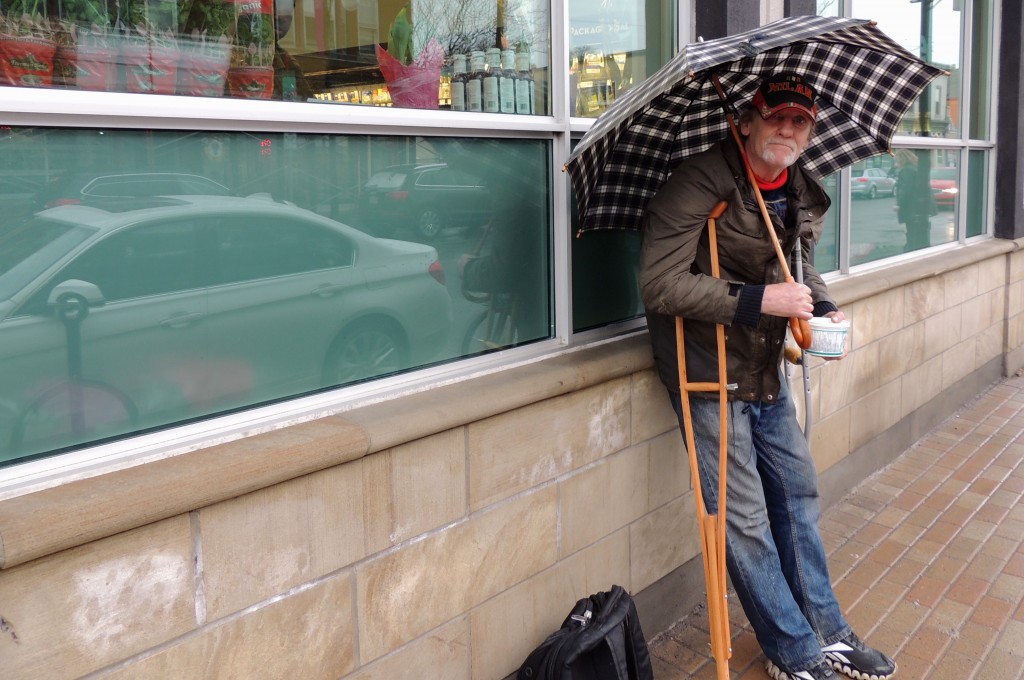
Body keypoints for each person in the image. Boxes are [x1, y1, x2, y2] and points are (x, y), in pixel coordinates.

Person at [639, 73, 896, 680]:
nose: (787, 128)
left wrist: (824, 309)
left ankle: (827, 632)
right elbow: (658, 284)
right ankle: (793, 652)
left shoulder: (800, 190)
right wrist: (761, 300)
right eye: (776, 116)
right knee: (744, 518)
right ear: (749, 120)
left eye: (800, 120)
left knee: (799, 493)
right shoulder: (697, 182)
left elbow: (802, 273)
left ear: (811, 131)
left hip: (764, 371)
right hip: (706, 370)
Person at [893, 148, 935, 253]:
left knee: (912, 232)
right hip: (920, 207)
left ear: (901, 159)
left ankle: (911, 252)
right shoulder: (915, 168)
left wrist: (899, 205)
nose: (895, 163)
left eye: (896, 160)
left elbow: (905, 189)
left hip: (912, 208)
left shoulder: (906, 170)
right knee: (917, 233)